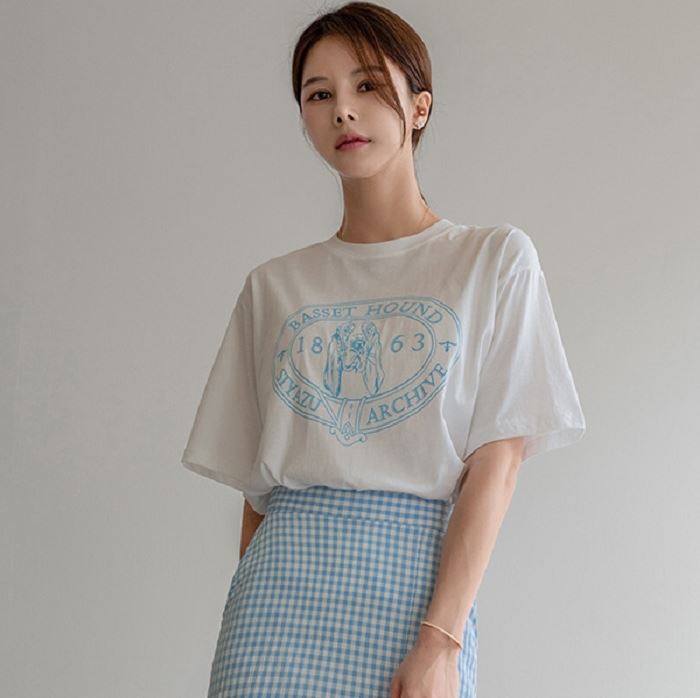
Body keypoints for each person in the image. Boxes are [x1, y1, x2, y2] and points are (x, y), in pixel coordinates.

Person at [180, 2, 586, 696]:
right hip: (275, 608)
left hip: (414, 598)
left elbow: (497, 464)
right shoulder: (274, 287)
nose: (343, 109)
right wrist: (239, 621)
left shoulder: (492, 260)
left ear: (419, 107)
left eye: (367, 85)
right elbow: (260, 493)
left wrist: (442, 643)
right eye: (319, 94)